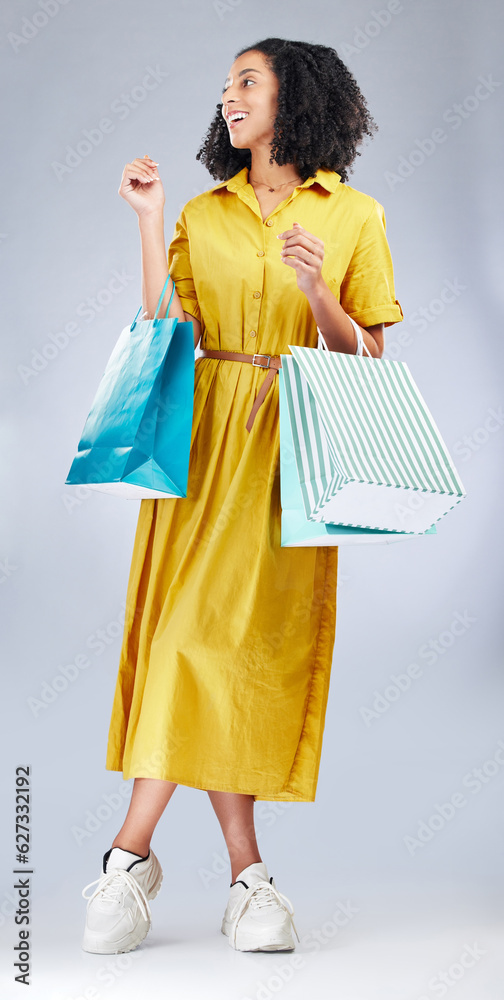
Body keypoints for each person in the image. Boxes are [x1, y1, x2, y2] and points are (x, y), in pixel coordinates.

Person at [80, 36, 403, 955]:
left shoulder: (356, 216)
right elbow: (163, 332)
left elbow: (369, 360)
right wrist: (148, 223)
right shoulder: (204, 210)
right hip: (204, 446)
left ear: (293, 97)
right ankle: (236, 876)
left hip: (288, 449)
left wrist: (319, 291)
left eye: (247, 83)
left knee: (241, 652)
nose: (229, 97)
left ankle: (140, 861)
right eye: (225, 86)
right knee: (186, 639)